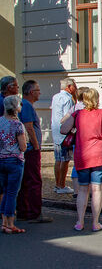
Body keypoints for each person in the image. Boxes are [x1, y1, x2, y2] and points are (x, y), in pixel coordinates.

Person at [61, 88, 102, 231]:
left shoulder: (77, 114)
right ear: (96, 99)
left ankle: (80, 222)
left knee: (83, 189)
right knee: (97, 189)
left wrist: (74, 127)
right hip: (99, 153)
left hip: (82, 154)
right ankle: (95, 223)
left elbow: (63, 129)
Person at [17, 80, 53, 223]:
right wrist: (36, 145)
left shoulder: (24, 105)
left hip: (27, 149)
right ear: (31, 92)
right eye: (38, 90)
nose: (40, 93)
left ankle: (24, 210)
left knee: (26, 180)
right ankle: (33, 212)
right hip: (31, 149)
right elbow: (29, 127)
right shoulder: (26, 105)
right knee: (33, 180)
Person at [0, 95, 27, 234]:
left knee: (4, 192)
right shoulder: (17, 124)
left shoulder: (0, 122)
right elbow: (22, 147)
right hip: (15, 160)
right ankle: (10, 224)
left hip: (1, 159)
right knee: (12, 193)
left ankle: (4, 222)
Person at [51, 78, 77, 194]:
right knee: (64, 160)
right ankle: (61, 185)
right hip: (64, 133)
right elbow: (68, 116)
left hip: (55, 131)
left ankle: (57, 184)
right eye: (74, 86)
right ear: (69, 87)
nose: (75, 88)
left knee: (58, 160)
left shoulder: (55, 97)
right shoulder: (68, 99)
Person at [64, 86, 90, 197]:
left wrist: (73, 126)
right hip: (87, 140)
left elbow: (63, 120)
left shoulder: (74, 107)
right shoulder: (88, 108)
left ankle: (76, 191)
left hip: (76, 140)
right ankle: (88, 190)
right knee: (89, 165)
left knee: (76, 165)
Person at [0, 76, 19, 203]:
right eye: (16, 86)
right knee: (6, 187)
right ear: (9, 87)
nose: (18, 88)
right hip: (6, 150)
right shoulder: (5, 103)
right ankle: (6, 214)